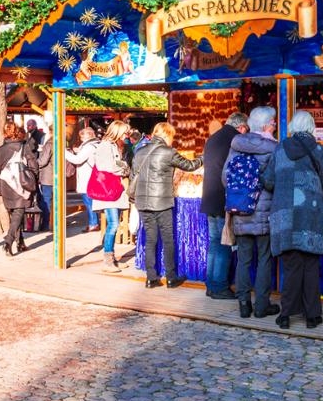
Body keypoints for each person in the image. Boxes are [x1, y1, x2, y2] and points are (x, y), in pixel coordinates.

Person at [263, 110, 323, 330]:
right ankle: (312, 316)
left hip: (284, 214)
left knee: (291, 265)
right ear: (312, 128)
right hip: (310, 213)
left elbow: (269, 181)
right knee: (310, 263)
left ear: (292, 126)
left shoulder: (280, 148)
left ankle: (285, 315)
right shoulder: (319, 150)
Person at [223, 106, 280, 320]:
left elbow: (225, 177)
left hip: (240, 210)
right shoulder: (274, 148)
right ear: (266, 125)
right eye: (273, 123)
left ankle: (244, 305)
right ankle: (262, 306)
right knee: (265, 258)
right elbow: (276, 181)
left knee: (244, 259)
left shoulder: (237, 146)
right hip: (264, 212)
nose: (275, 126)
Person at [131, 122, 203, 289]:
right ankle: (170, 277)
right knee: (168, 239)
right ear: (167, 135)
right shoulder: (168, 152)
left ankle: (151, 278)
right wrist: (203, 157)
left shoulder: (139, 151)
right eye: (172, 136)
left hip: (143, 201)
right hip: (161, 202)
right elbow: (190, 166)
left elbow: (134, 174)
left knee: (150, 239)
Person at [200, 112, 248, 299]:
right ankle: (219, 286)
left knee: (214, 243)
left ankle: (211, 284)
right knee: (223, 244)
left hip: (210, 198)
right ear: (241, 127)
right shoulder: (234, 140)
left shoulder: (213, 138)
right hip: (222, 198)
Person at [89, 120, 131, 272]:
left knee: (115, 224)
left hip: (114, 190)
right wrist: (124, 168)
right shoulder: (105, 146)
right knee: (113, 225)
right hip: (107, 191)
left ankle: (111, 258)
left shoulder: (116, 145)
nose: (127, 135)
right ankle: (107, 261)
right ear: (117, 131)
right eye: (125, 132)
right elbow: (105, 166)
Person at [0, 123, 39, 257]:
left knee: (14, 214)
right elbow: (34, 166)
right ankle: (8, 241)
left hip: (5, 183)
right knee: (18, 213)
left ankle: (20, 243)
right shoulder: (25, 147)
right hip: (21, 183)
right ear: (18, 132)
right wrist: (33, 181)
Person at [70, 127, 101, 231]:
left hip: (87, 177)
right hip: (93, 177)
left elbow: (78, 160)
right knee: (91, 201)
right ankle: (94, 222)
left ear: (87, 135)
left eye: (82, 136)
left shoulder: (89, 147)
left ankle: (94, 223)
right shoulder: (95, 144)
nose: (81, 138)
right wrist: (79, 151)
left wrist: (65, 153)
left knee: (88, 201)